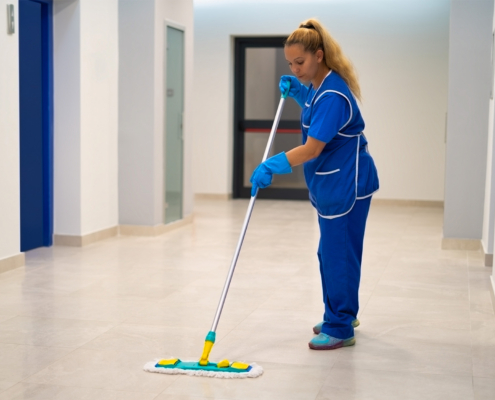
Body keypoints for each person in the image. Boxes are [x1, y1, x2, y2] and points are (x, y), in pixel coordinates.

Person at [250, 19, 379, 350]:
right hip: (335, 183)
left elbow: (312, 148)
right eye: (290, 63)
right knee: (335, 252)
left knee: (338, 254)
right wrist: (300, 93)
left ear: (319, 55)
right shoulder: (322, 89)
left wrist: (272, 164)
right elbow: (317, 111)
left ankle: (339, 326)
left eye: (300, 63)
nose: (295, 68)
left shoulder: (333, 94)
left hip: (345, 185)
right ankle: (341, 313)